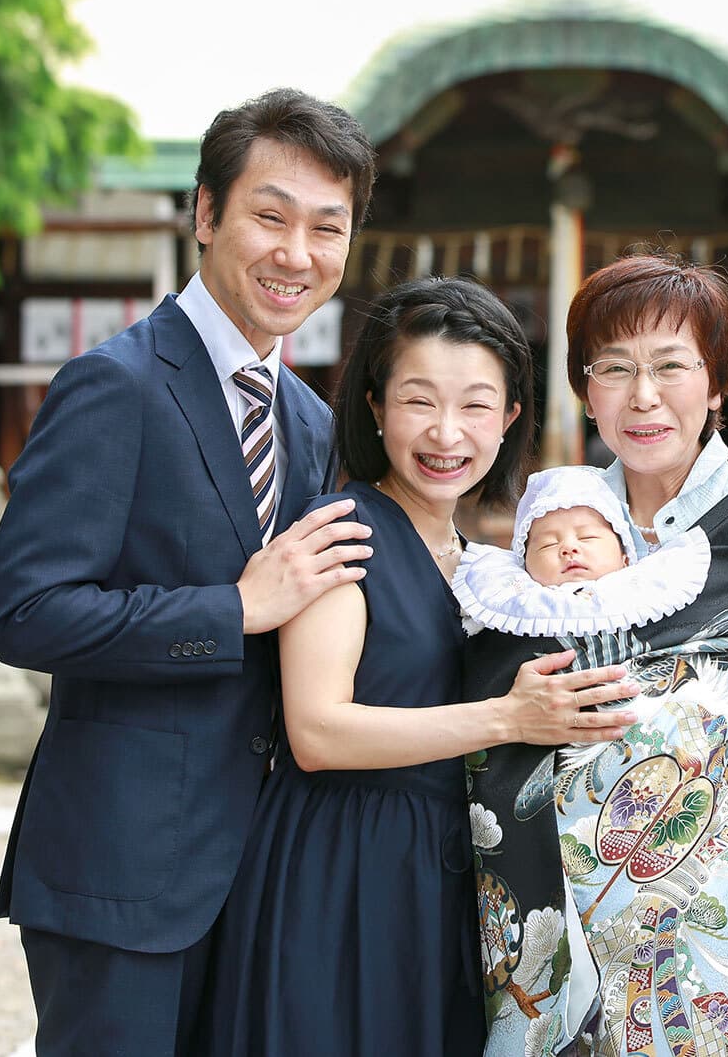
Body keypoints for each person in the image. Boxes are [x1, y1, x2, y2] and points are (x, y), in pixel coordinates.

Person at [0, 88, 381, 1056]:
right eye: (270, 216)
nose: (297, 253)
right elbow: (27, 611)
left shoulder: (310, 421)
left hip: (259, 876)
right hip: (119, 870)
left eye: (327, 228)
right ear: (205, 213)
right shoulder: (114, 383)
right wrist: (234, 608)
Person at [462, 253, 728, 1057]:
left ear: (718, 383)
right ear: (586, 389)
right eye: (614, 368)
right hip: (584, 915)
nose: (644, 395)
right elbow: (502, 679)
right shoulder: (554, 529)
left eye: (671, 365)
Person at [206, 277, 640, 1057]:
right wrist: (506, 716)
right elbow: (317, 729)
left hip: (447, 875)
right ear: (375, 405)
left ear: (510, 418)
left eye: (476, 405)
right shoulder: (342, 532)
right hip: (343, 863)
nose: (447, 432)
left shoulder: (484, 565)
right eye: (419, 400)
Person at [451, 468, 711, 637]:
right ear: (524, 562)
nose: (569, 548)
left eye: (587, 537)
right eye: (548, 544)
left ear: (625, 557)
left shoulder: (648, 588)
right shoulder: (514, 598)